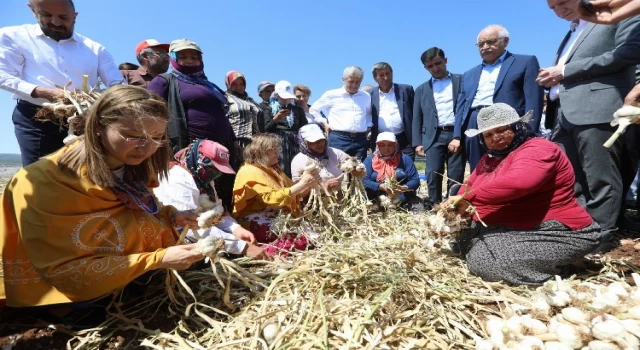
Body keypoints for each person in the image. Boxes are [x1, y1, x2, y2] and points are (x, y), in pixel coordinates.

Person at [0, 85, 205, 308]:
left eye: (156, 137)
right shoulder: (42, 182)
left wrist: (172, 216)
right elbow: (63, 270)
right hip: (68, 294)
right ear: (98, 126)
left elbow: (139, 211)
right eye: (132, 136)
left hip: (134, 272)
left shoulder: (135, 167)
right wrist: (157, 260)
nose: (146, 148)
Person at [444, 103, 602, 286]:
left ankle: (561, 270)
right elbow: (470, 184)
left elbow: (518, 182)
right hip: (516, 225)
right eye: (488, 135)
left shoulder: (538, 148)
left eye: (502, 130)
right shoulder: (490, 158)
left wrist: (469, 199)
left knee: (486, 262)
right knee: (461, 244)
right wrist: (458, 204)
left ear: (518, 127)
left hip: (556, 229)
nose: (495, 138)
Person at [541, 0, 640, 235]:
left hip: (597, 108)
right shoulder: (572, 32)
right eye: (553, 8)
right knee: (571, 178)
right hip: (564, 114)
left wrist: (564, 71)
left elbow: (628, 53)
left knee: (600, 177)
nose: (559, 11)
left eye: (563, 2)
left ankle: (600, 236)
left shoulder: (618, 17)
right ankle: (580, 230)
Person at [0, 0, 122, 166]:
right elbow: (3, 75)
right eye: (46, 15)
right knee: (41, 174)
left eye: (63, 17)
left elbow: (116, 83)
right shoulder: (13, 36)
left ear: (75, 17)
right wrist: (45, 92)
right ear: (34, 11)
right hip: (37, 119)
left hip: (85, 120)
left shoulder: (95, 49)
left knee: (85, 173)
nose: (56, 22)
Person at [146, 39, 236, 211]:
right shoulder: (164, 81)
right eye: (183, 56)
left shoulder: (207, 84)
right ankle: (194, 232)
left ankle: (227, 230)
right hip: (191, 149)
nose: (189, 60)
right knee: (195, 197)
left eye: (194, 57)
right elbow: (151, 112)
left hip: (220, 148)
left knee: (220, 198)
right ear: (172, 58)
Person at [154, 140, 270, 260]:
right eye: (213, 168)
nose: (217, 173)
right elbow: (190, 226)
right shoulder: (177, 179)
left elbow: (214, 212)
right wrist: (243, 247)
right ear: (200, 162)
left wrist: (236, 229)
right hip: (175, 240)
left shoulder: (201, 177)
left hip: (200, 233)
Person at [454, 25, 543, 171]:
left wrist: (529, 131)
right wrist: (457, 135)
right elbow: (461, 107)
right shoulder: (469, 74)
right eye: (481, 44)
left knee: (510, 165)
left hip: (506, 122)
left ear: (505, 41)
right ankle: (481, 193)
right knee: (479, 168)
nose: (485, 47)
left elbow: (534, 99)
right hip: (474, 122)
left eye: (491, 42)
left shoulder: (525, 62)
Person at [232, 134, 321, 255]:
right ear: (260, 152)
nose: (277, 153)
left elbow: (294, 193)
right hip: (255, 220)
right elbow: (272, 199)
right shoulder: (249, 171)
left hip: (276, 217)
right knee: (301, 241)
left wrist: (308, 184)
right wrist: (302, 184)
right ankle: (261, 250)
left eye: (277, 149)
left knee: (315, 235)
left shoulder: (274, 169)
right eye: (273, 150)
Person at [412, 47, 464, 206]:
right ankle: (434, 205)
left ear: (445, 60)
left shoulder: (461, 81)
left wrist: (459, 136)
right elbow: (417, 117)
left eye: (438, 63)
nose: (435, 68)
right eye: (430, 66)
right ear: (425, 67)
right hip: (433, 137)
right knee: (433, 172)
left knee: (456, 173)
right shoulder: (421, 89)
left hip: (456, 134)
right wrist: (417, 142)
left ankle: (452, 206)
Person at [308, 66, 373, 160]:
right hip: (338, 138)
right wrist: (324, 123)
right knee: (337, 169)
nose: (354, 85)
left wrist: (368, 127)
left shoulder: (365, 96)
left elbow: (368, 114)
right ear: (343, 80)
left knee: (359, 170)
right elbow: (313, 109)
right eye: (351, 81)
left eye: (358, 82)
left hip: (360, 140)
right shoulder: (331, 95)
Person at [369, 62, 415, 159]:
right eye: (381, 75)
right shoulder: (369, 95)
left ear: (392, 73)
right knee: (383, 172)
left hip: (405, 141)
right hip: (382, 141)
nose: (385, 77)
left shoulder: (406, 90)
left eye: (387, 73)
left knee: (406, 171)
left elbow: (417, 114)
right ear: (375, 78)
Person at [362, 132, 421, 209]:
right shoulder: (370, 160)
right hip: (376, 196)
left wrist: (404, 187)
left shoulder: (405, 159)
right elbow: (364, 180)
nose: (386, 148)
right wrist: (380, 186)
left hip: (400, 196)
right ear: (378, 146)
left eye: (390, 145)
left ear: (395, 146)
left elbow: (415, 179)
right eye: (382, 145)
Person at [263, 81, 308, 177]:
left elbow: (304, 127)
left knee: (297, 168)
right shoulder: (269, 109)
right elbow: (266, 129)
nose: (286, 99)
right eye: (284, 96)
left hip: (296, 142)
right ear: (277, 95)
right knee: (280, 169)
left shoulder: (297, 109)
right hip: (278, 143)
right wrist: (276, 118)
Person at [291, 124, 352, 192]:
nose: (319, 144)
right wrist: (325, 187)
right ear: (305, 143)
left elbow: (353, 164)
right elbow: (298, 191)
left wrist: (357, 171)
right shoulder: (299, 160)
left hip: (341, 198)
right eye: (313, 142)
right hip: (314, 201)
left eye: (321, 140)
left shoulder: (335, 153)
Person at [224, 71, 263, 169]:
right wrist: (232, 141)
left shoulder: (250, 100)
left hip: (255, 142)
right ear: (228, 84)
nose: (239, 87)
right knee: (238, 170)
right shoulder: (225, 98)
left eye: (241, 84)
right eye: (234, 84)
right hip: (236, 141)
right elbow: (223, 120)